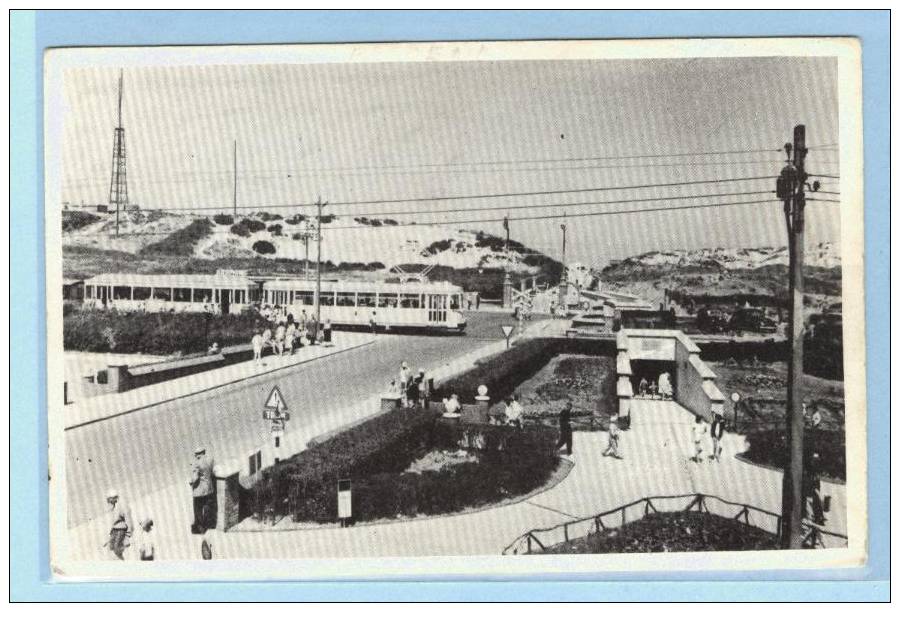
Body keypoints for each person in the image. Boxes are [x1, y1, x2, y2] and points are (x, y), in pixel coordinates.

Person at [189, 447, 215, 534]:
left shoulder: (197, 463)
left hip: (199, 492)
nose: (195, 456)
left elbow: (195, 478)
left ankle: (201, 528)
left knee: (198, 510)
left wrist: (191, 482)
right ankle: (208, 525)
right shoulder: (210, 459)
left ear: (198, 454)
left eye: (196, 455)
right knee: (207, 508)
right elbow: (212, 472)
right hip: (209, 489)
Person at [102, 489, 133, 560]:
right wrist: (109, 539)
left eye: (109, 499)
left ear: (114, 498)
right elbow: (112, 525)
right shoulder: (113, 508)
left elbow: (129, 521)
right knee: (111, 549)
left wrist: (127, 537)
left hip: (121, 531)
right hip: (115, 532)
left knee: (117, 549)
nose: (108, 501)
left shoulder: (122, 506)